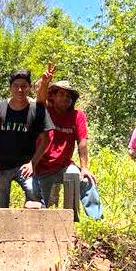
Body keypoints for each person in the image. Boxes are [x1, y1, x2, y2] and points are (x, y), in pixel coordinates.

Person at [0, 69, 53, 208]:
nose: (20, 89)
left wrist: (32, 163)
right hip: (1, 166)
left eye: (24, 86)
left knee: (35, 201)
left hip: (24, 166)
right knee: (1, 209)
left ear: (29, 87)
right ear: (10, 87)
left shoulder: (37, 109)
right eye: (16, 85)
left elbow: (46, 139)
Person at [33, 69, 95, 207]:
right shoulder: (46, 110)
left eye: (69, 96)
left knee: (82, 178)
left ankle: (79, 217)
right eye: (61, 94)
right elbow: (41, 100)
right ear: (53, 96)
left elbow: (82, 143)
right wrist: (45, 82)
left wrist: (84, 168)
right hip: (42, 167)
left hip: (64, 166)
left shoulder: (77, 115)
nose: (66, 98)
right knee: (44, 206)